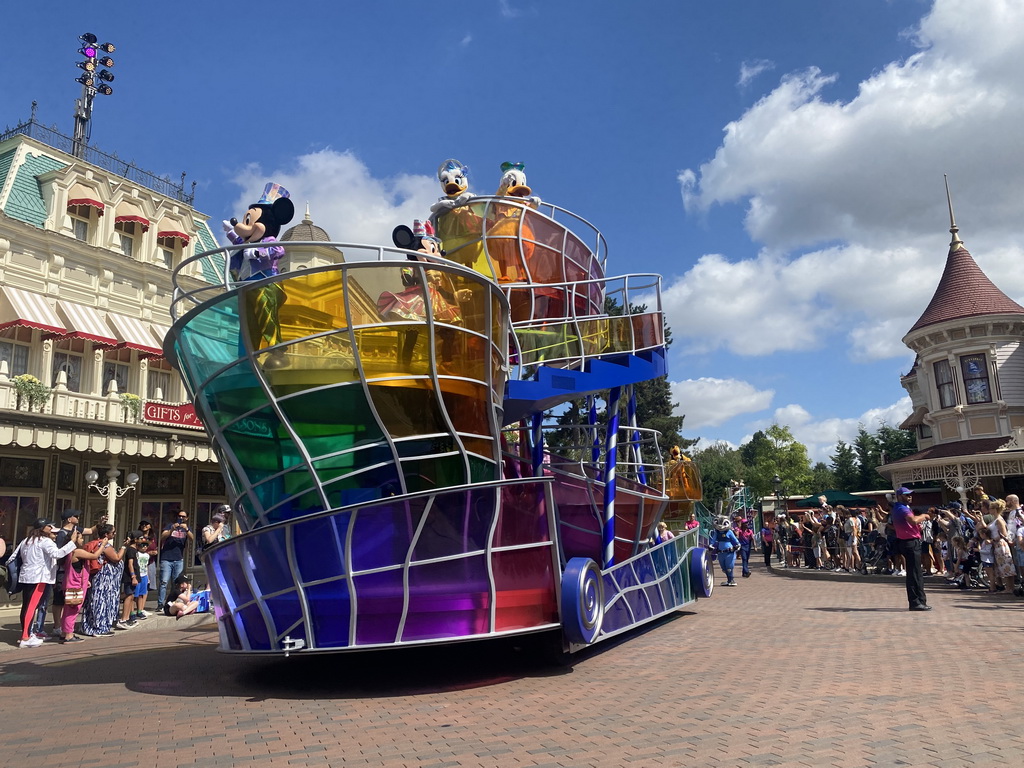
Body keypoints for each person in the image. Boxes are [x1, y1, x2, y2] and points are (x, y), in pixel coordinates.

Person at [15, 519, 79, 648]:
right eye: (49, 526)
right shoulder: (45, 541)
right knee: (31, 607)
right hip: (39, 577)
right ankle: (25, 637)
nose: (51, 528)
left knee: (27, 606)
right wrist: (72, 542)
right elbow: (57, 554)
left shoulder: (26, 541)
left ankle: (27, 633)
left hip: (27, 576)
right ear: (43, 528)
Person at [891, 487, 932, 611]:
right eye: (906, 495)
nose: (909, 497)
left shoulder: (900, 508)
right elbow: (913, 521)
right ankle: (916, 602)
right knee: (914, 573)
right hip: (910, 543)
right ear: (898, 496)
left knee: (916, 572)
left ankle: (920, 600)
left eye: (910, 495)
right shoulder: (902, 508)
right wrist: (924, 516)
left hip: (908, 541)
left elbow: (910, 524)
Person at [81, 525, 126, 637]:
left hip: (103, 579)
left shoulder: (99, 543)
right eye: (113, 532)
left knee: (97, 600)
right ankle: (99, 627)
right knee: (102, 601)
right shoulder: (104, 545)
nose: (114, 534)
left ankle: (92, 625)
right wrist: (123, 547)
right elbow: (116, 557)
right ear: (106, 534)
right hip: (104, 579)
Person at [57, 534, 103, 643]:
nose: (83, 540)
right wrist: (103, 545)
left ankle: (64, 632)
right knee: (73, 610)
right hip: (74, 585)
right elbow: (94, 556)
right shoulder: (76, 551)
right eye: (81, 538)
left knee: (68, 609)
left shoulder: (69, 552)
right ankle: (69, 634)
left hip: (73, 582)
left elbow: (78, 568)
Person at [158, 510, 194, 609]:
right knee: (164, 582)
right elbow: (162, 537)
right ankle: (160, 603)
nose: (181, 518)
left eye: (183, 516)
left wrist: (186, 530)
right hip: (166, 558)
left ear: (187, 518)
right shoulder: (170, 526)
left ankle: (172, 601)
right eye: (179, 516)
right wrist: (171, 530)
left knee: (177, 583)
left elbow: (192, 538)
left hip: (179, 559)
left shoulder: (186, 528)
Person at [115, 531, 142, 630]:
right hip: (130, 577)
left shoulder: (135, 550)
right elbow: (130, 564)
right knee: (128, 596)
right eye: (141, 538)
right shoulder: (131, 550)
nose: (142, 540)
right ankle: (123, 619)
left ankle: (127, 618)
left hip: (134, 576)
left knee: (131, 597)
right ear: (136, 539)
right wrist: (133, 576)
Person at [709, 515, 740, 586]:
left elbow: (735, 540)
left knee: (729, 567)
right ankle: (729, 579)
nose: (720, 526)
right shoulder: (717, 532)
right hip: (720, 552)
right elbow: (713, 539)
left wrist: (738, 545)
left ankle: (731, 580)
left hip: (729, 552)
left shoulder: (729, 532)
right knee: (723, 568)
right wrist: (711, 545)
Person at [131, 538, 152, 620]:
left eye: (146, 545)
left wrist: (148, 577)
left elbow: (146, 566)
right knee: (134, 595)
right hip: (137, 575)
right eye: (142, 545)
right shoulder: (136, 554)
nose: (144, 547)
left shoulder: (147, 555)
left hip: (144, 575)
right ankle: (131, 612)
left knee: (141, 595)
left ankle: (139, 611)